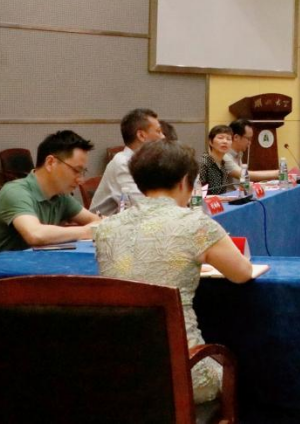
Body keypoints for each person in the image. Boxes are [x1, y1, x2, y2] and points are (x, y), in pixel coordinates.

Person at [94, 140, 256, 404]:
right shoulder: (196, 224)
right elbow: (242, 273)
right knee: (245, 374)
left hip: (119, 372)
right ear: (184, 181)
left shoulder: (106, 227)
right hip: (183, 373)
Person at [0, 130, 101, 259]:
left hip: (29, 266)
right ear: (50, 163)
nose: (81, 180)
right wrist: (87, 231)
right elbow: (35, 234)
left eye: (83, 172)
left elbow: (96, 221)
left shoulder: (60, 195)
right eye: (76, 170)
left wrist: (101, 225)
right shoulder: (15, 192)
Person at [89, 108, 163, 216]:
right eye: (158, 131)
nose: (163, 137)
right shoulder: (122, 163)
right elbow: (142, 207)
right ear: (141, 135)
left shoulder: (148, 163)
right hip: (106, 225)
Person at [198, 125, 234, 195]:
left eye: (228, 139)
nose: (225, 141)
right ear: (210, 142)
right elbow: (198, 194)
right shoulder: (203, 163)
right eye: (220, 138)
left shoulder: (223, 164)